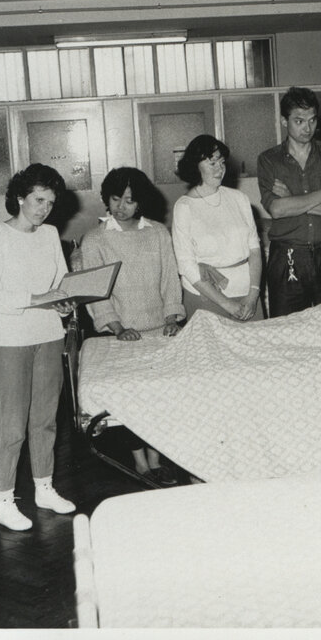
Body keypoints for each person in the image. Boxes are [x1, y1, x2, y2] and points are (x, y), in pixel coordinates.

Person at [0, 163, 77, 531]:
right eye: (37, 200)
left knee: (45, 420)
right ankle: (4, 500)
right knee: (12, 424)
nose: (43, 209)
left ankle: (44, 488)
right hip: (9, 339)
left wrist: (63, 301)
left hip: (49, 333)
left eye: (50, 202)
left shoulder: (50, 234)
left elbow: (60, 284)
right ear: (19, 197)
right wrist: (39, 298)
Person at [79, 166, 185, 485]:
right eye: (116, 199)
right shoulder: (95, 239)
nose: (122, 207)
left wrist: (171, 318)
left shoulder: (157, 232)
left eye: (130, 200)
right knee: (133, 401)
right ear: (107, 199)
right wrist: (115, 327)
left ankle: (156, 457)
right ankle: (140, 461)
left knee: (162, 398)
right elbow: (96, 293)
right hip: (121, 335)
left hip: (159, 331)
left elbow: (169, 279)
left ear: (141, 203)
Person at [257, 86, 321, 317]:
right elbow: (278, 210)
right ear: (284, 121)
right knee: (288, 331)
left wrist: (293, 199)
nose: (307, 128)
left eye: (311, 120)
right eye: (299, 121)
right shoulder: (269, 160)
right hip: (289, 256)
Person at [173, 135, 264, 322]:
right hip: (208, 297)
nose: (219, 169)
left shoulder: (240, 199)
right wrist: (226, 304)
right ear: (195, 166)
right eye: (212, 163)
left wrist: (253, 295)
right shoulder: (184, 207)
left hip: (248, 296)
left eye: (222, 162)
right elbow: (186, 265)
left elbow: (255, 250)